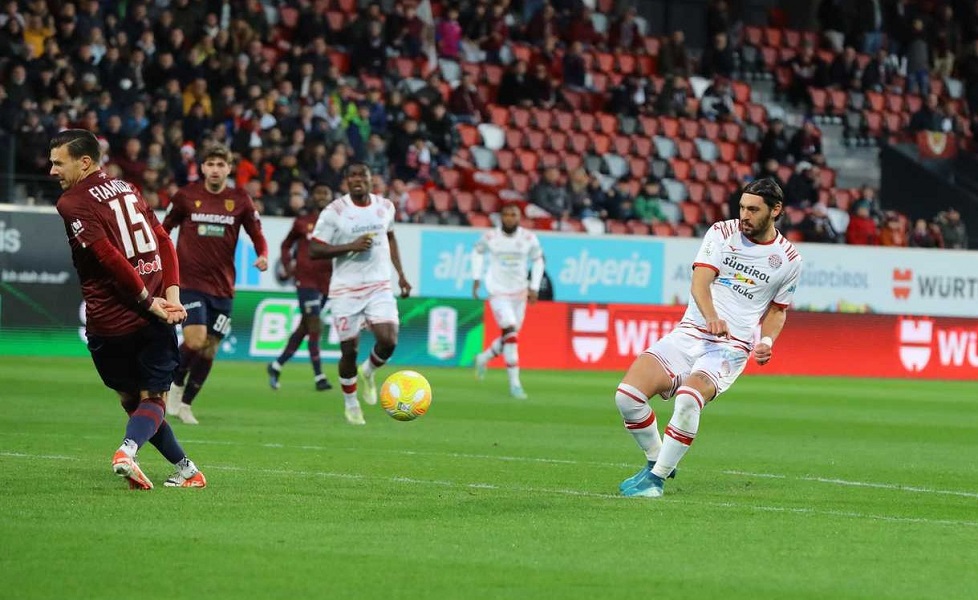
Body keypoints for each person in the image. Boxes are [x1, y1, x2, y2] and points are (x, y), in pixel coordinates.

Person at [614, 178, 802, 498]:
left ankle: (654, 481)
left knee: (689, 398)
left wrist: (767, 342)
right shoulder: (722, 233)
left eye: (753, 210)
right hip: (690, 333)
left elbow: (778, 310)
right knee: (627, 397)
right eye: (742, 207)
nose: (744, 215)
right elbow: (700, 282)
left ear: (776, 211)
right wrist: (712, 316)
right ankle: (659, 459)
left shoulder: (788, 259)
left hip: (731, 347)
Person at [50, 129, 206, 490]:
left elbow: (108, 257)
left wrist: (160, 299)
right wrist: (164, 297)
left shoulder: (72, 202)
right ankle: (127, 451)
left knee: (130, 398)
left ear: (84, 162)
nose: (52, 170)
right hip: (147, 315)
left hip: (106, 321)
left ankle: (186, 470)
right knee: (153, 399)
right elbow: (161, 241)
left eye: (59, 162)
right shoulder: (128, 188)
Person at [162, 144, 269, 424]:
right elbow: (165, 229)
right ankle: (174, 383)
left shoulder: (240, 199)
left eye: (220, 165)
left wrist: (263, 255)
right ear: (202, 168)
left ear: (229, 168)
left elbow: (257, 233)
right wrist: (159, 257)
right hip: (189, 282)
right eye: (210, 164)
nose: (215, 169)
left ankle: (186, 404)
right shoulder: (186, 196)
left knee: (210, 348)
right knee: (195, 339)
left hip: (222, 287)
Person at [309, 163, 412, 425]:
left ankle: (369, 371)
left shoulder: (385, 206)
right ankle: (351, 403)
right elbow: (314, 249)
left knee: (388, 340)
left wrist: (400, 274)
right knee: (349, 351)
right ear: (346, 182)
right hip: (345, 290)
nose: (357, 180)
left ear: (370, 180)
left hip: (379, 284)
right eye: (352, 176)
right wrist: (351, 246)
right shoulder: (335, 212)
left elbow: (390, 238)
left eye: (362, 176)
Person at [470, 203, 544, 399]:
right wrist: (476, 277)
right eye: (507, 214)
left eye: (514, 215)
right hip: (498, 292)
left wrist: (534, 287)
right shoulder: (491, 237)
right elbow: (477, 251)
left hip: (520, 293)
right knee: (511, 334)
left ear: (519, 218)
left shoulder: (528, 238)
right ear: (501, 217)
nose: (510, 218)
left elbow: (538, 260)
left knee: (511, 336)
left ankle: (483, 358)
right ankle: (515, 384)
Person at [267, 182, 334, 391]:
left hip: (326, 282)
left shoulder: (338, 223)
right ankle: (319, 376)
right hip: (305, 281)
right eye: (318, 192)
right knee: (314, 324)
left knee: (305, 327)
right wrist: (288, 265)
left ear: (331, 196)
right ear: (312, 197)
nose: (322, 195)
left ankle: (276, 365)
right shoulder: (303, 222)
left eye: (326, 191)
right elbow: (286, 244)